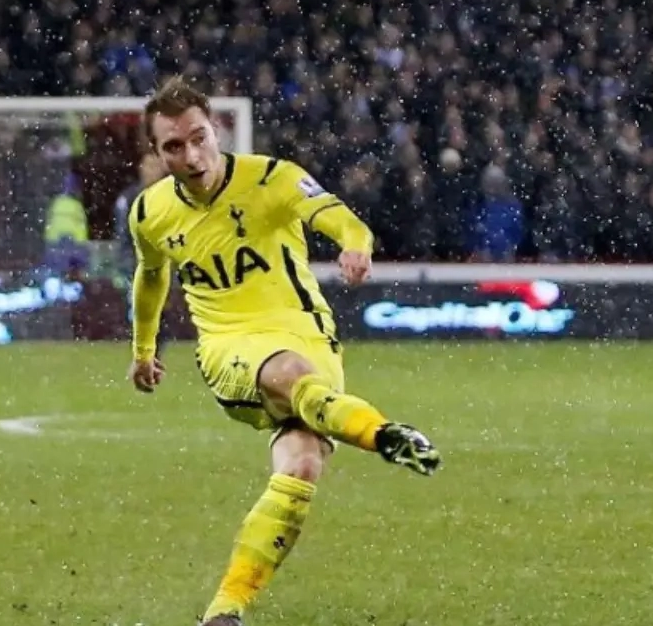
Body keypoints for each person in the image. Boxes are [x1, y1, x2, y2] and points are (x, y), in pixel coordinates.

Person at [126, 76, 442, 626]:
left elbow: (340, 218)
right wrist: (143, 349)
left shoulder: (274, 178)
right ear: (156, 152)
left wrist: (355, 244)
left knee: (301, 464)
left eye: (198, 138)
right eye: (173, 146)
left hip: (308, 333)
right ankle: (382, 434)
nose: (192, 156)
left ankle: (225, 610)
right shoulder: (150, 213)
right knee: (290, 373)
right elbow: (152, 277)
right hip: (229, 346)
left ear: (216, 130)